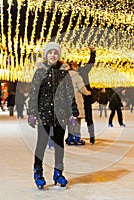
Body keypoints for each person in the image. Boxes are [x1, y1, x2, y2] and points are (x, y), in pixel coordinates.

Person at [27, 42, 78, 189]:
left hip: (61, 115)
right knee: (41, 144)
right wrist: (32, 112)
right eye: (50, 53)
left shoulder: (64, 73)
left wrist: (73, 113)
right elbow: (34, 93)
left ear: (59, 56)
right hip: (44, 113)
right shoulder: (40, 72)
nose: (53, 55)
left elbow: (70, 94)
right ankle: (38, 172)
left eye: (55, 53)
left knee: (59, 145)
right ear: (46, 55)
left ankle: (58, 172)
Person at [65, 61, 91, 145]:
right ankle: (76, 137)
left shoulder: (64, 76)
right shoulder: (77, 76)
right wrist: (88, 93)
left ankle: (70, 137)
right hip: (77, 100)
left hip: (67, 101)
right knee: (77, 119)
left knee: (70, 119)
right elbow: (82, 88)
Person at [78, 46, 96, 144]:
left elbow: (91, 62)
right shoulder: (78, 72)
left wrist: (92, 53)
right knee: (82, 117)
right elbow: (91, 63)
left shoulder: (81, 71)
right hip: (81, 97)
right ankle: (77, 136)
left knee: (82, 117)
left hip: (84, 97)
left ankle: (90, 136)